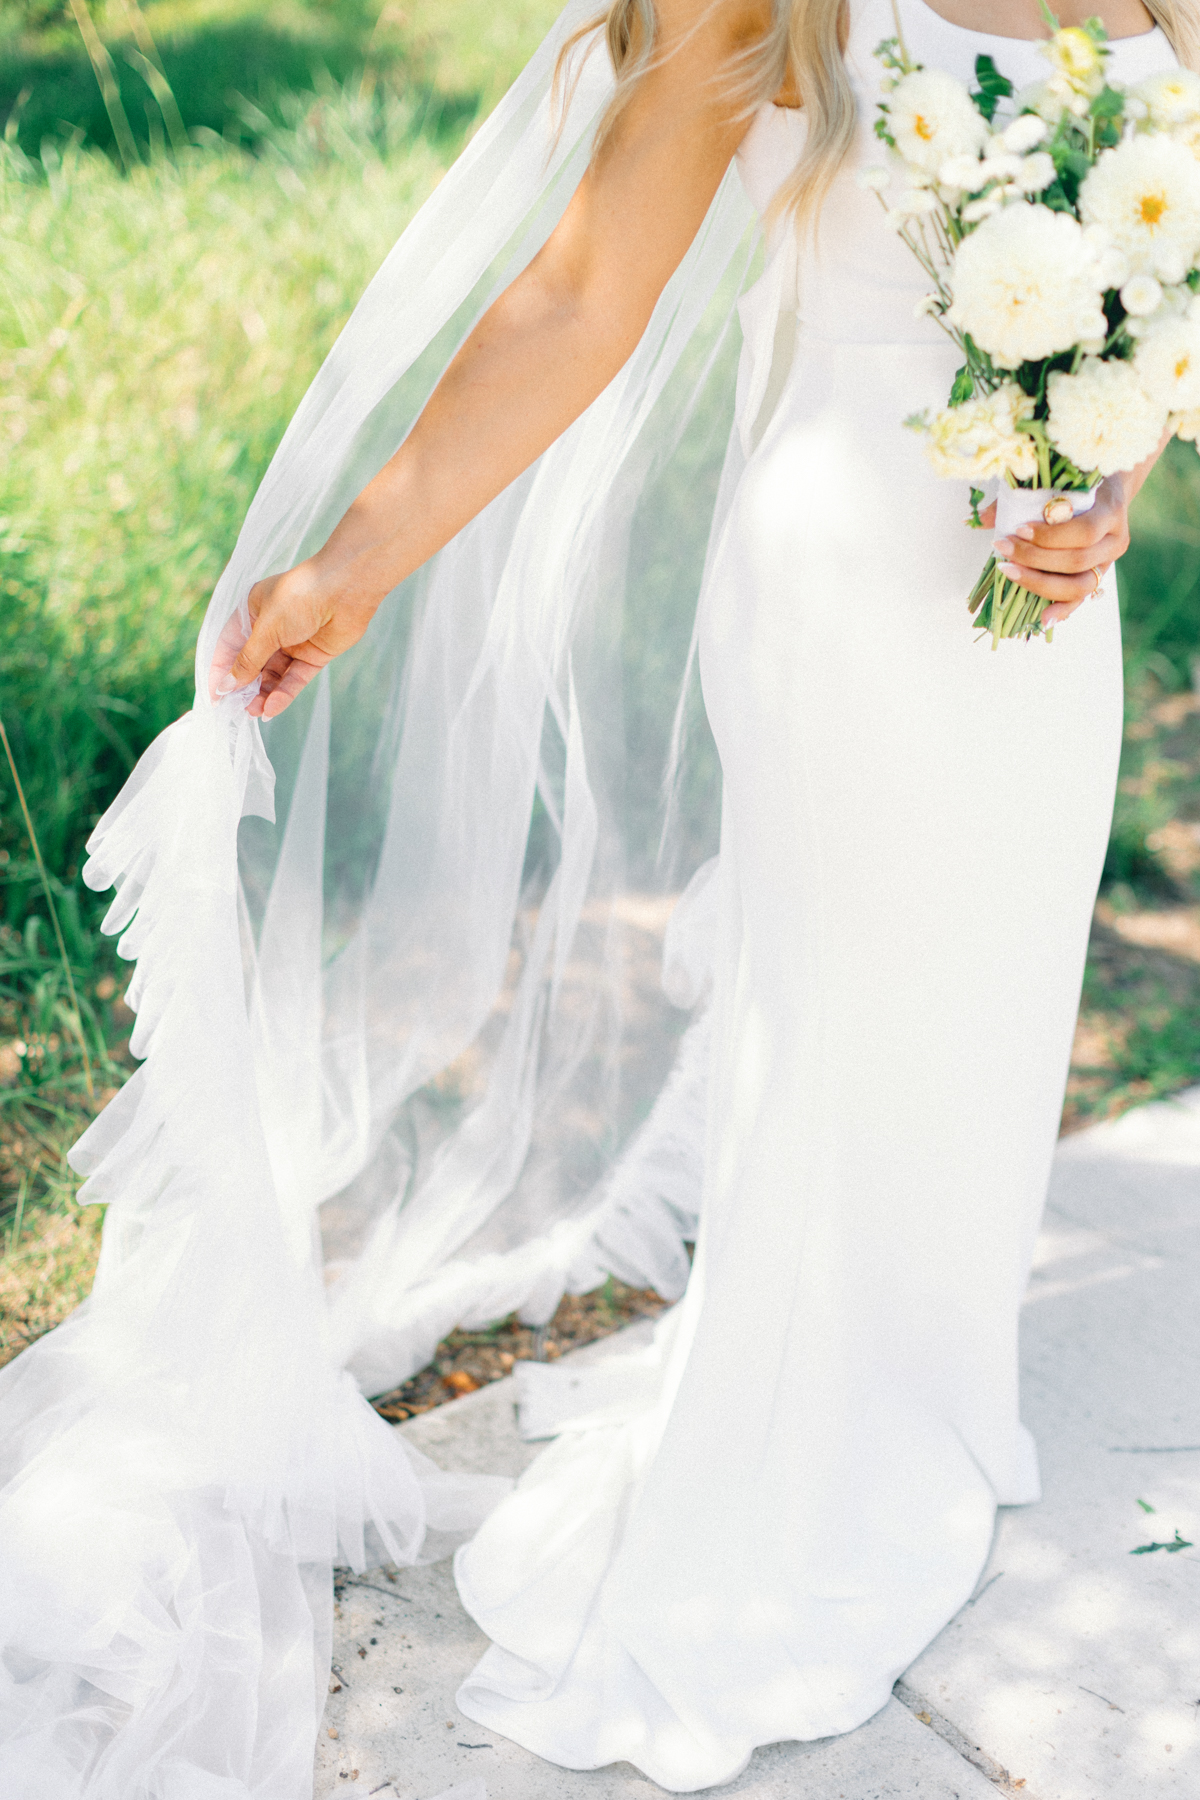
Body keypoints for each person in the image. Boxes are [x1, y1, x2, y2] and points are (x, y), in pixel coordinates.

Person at [0, 3, 1189, 1796]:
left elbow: (1153, 303)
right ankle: (791, 1465)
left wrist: (1106, 483)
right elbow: (577, 296)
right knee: (841, 1035)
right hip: (849, 585)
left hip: (1039, 627)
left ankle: (925, 1396)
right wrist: (360, 561)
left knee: (988, 1009)